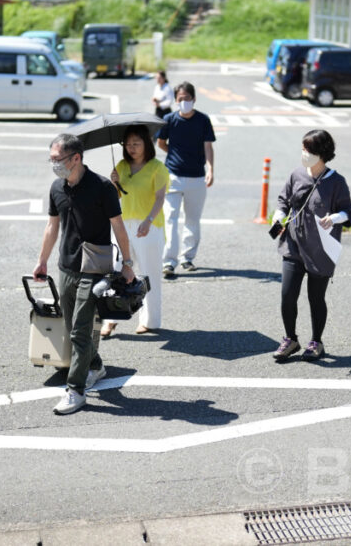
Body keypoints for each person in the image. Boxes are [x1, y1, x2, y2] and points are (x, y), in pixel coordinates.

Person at [33, 134, 136, 415]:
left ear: (76, 158)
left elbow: (119, 227)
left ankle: (75, 391)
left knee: (79, 330)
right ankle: (95, 365)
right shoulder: (57, 188)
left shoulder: (103, 187)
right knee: (71, 327)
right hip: (66, 268)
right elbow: (52, 227)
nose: (54, 164)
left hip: (94, 267)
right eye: (51, 159)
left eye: (58, 159)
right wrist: (42, 261)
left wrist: (127, 263)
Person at [271, 130, 351, 362]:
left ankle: (316, 341)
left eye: (308, 150)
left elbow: (348, 212)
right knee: (287, 296)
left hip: (320, 251)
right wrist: (279, 215)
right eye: (303, 148)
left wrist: (334, 218)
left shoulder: (336, 182)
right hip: (293, 245)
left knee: (315, 298)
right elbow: (283, 200)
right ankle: (290, 339)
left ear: (321, 154)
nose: (303, 153)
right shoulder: (296, 174)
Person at [103, 125, 170, 337]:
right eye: (128, 144)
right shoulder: (122, 166)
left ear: (146, 145)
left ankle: (150, 320)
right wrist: (113, 183)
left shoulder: (158, 168)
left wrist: (148, 220)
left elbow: (160, 197)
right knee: (115, 270)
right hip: (123, 225)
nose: (131, 148)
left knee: (149, 273)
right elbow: (117, 197)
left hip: (149, 226)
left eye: (136, 144)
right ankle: (110, 318)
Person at [156, 81, 215, 278]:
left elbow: (208, 147)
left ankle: (187, 258)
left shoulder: (203, 120)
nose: (184, 102)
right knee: (170, 219)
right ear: (175, 100)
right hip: (172, 175)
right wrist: (173, 153)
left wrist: (210, 169)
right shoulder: (169, 120)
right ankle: (168, 261)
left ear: (194, 99)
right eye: (180, 99)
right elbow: (161, 143)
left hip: (197, 176)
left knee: (192, 220)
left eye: (187, 99)